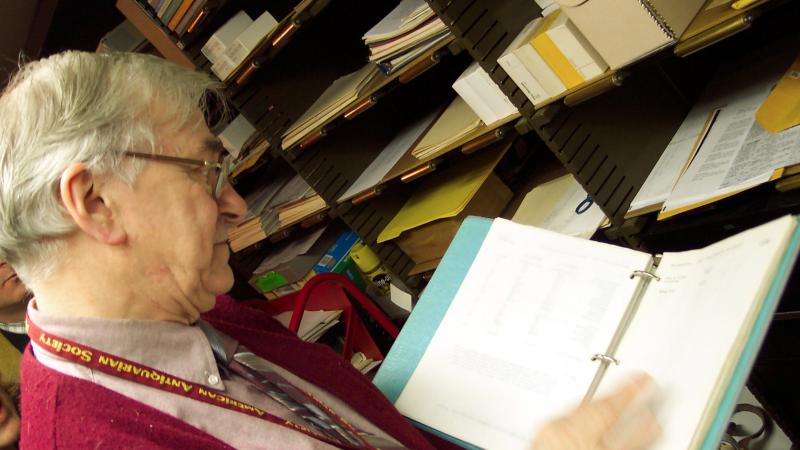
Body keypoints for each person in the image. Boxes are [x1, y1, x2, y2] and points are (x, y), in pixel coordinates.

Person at [0, 51, 658, 449]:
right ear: (93, 203)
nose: (235, 206)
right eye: (205, 171)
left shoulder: (193, 307)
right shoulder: (90, 436)